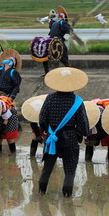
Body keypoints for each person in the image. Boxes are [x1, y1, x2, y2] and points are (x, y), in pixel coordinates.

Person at [38, 67, 89, 197]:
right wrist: (79, 136)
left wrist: (46, 131)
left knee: (47, 169)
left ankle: (41, 193)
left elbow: (42, 119)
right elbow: (83, 123)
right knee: (70, 170)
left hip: (52, 138)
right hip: (70, 138)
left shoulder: (49, 98)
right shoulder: (77, 102)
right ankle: (67, 197)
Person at [42, 9, 71, 76]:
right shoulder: (61, 23)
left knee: (46, 57)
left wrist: (51, 18)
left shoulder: (55, 23)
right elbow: (69, 31)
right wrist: (64, 39)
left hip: (51, 42)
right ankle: (69, 71)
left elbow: (51, 24)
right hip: (58, 43)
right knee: (63, 58)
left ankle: (47, 72)